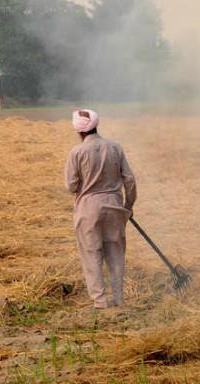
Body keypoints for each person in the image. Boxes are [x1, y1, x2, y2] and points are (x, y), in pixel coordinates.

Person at [64, 109, 137, 309]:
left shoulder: (76, 152)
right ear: (97, 125)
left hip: (87, 208)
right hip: (114, 206)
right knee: (115, 253)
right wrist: (128, 207)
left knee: (91, 254)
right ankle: (119, 299)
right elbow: (129, 180)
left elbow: (71, 186)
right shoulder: (115, 147)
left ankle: (100, 302)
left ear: (79, 132)